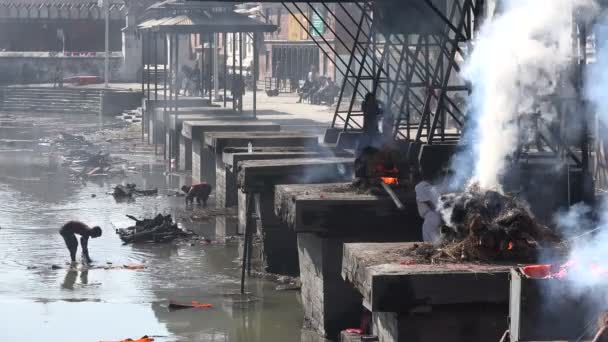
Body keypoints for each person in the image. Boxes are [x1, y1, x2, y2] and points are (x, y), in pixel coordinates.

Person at [415, 172, 442, 243]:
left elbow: (427, 201)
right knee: (437, 239)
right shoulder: (433, 187)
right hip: (437, 215)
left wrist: (435, 209)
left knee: (429, 242)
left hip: (431, 215)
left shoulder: (419, 186)